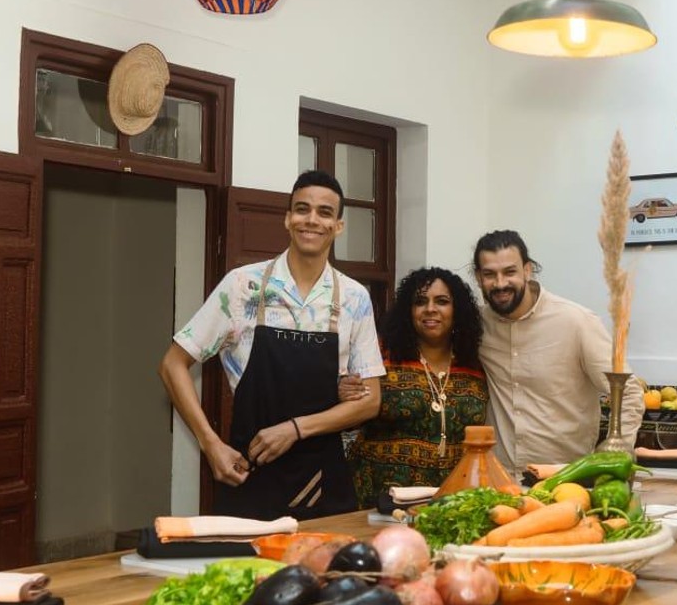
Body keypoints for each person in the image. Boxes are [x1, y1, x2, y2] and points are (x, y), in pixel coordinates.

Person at [159, 171, 384, 520]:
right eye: (302, 209)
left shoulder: (354, 298)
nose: (312, 219)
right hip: (250, 474)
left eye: (325, 213)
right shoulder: (242, 287)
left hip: (322, 481)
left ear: (338, 226)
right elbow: (172, 365)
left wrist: (294, 429)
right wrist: (211, 444)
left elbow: (370, 402)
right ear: (287, 219)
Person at [473, 229, 643, 470]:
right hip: (498, 480)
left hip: (566, 482)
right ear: (479, 277)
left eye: (509, 272)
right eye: (490, 274)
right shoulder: (477, 325)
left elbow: (629, 393)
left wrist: (611, 458)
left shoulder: (576, 322)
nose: (500, 283)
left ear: (527, 270)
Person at [344, 267, 489, 509]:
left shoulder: (474, 363)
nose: (430, 308)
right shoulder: (379, 354)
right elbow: (351, 411)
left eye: (442, 301)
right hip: (378, 496)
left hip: (449, 497)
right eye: (420, 301)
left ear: (457, 311)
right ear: (408, 311)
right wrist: (343, 392)